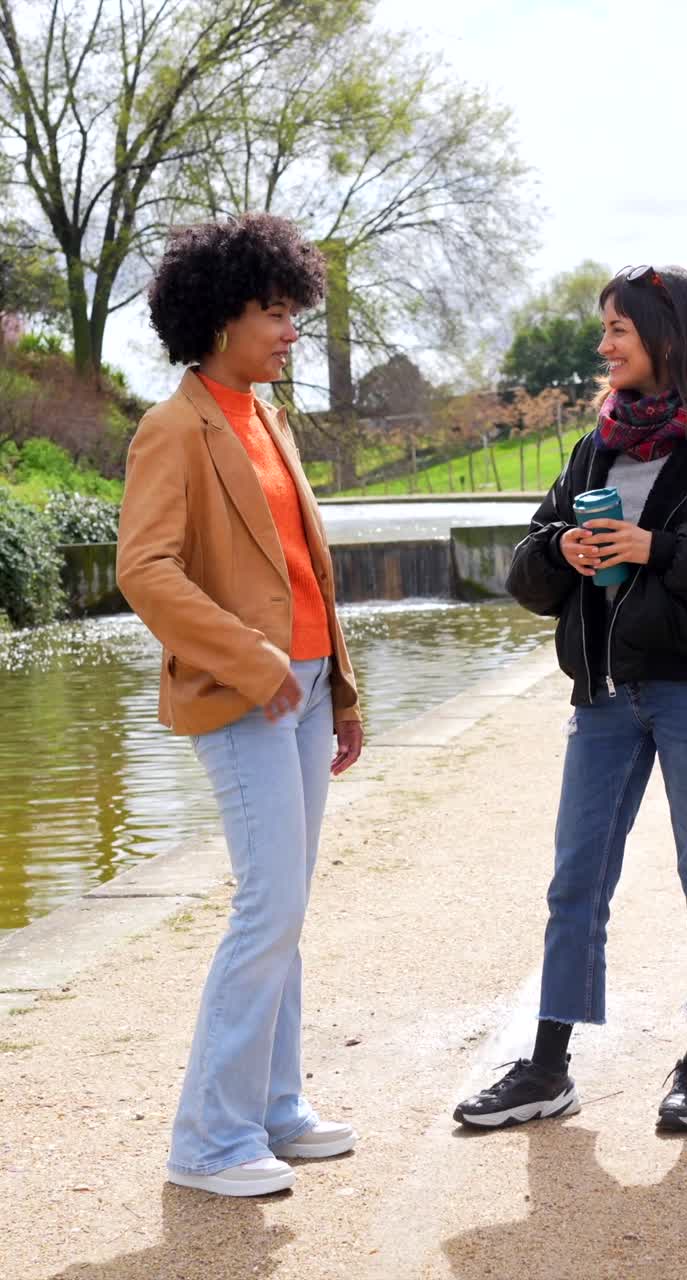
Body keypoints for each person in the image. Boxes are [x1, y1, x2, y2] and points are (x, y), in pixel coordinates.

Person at [117, 213, 364, 1197]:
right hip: (241, 694)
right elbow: (146, 571)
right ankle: (209, 1138)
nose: (291, 331)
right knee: (267, 904)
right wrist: (257, 660)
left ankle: (274, 1105)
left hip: (303, 692)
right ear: (221, 319)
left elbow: (306, 569)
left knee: (286, 905)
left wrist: (338, 689)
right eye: (275, 313)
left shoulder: (268, 417)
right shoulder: (172, 427)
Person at [454, 264, 687, 1134]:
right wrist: (562, 548)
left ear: (667, 338)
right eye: (603, 330)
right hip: (602, 691)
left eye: (617, 331)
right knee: (576, 882)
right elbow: (528, 567)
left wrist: (655, 547)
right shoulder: (596, 443)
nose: (602, 346)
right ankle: (547, 1065)